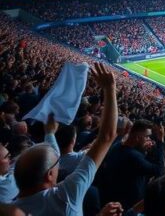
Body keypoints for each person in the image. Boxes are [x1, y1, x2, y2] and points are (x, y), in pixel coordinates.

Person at [13, 62, 117, 216]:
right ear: (49, 175)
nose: (59, 163)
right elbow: (107, 137)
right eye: (57, 162)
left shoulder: (10, 207)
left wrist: (49, 132)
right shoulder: (65, 197)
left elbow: (105, 137)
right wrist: (110, 88)